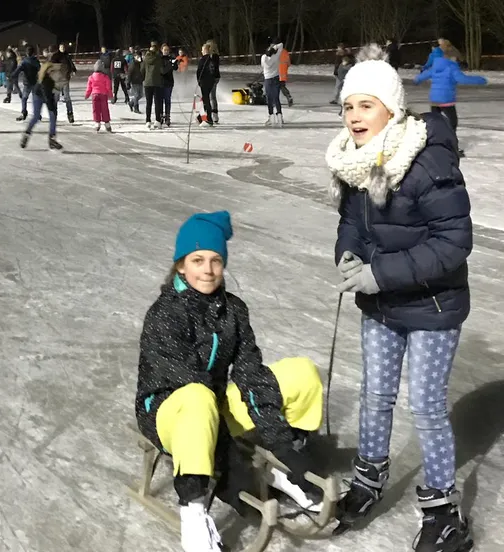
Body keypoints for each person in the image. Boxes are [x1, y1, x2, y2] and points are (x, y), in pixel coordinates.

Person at [326, 44, 474, 552]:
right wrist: (348, 254)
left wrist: (379, 274)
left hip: (433, 307)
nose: (354, 116)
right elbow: (353, 222)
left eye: (365, 105)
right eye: (348, 106)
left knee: (427, 406)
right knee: (375, 396)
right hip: (383, 306)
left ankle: (443, 511)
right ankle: (367, 481)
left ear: (391, 107)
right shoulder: (355, 161)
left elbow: (454, 242)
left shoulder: (425, 158)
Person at [137, 210, 323, 552]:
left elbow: (251, 372)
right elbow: (189, 385)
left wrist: (281, 445)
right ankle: (193, 515)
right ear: (181, 265)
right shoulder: (164, 315)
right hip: (169, 412)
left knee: (301, 372)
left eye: (215, 260)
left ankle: (288, 463)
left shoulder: (233, 310)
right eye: (197, 260)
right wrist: (234, 469)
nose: (207, 270)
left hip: (215, 403)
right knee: (196, 396)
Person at [413, 44, 486, 158]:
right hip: (446, 100)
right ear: (451, 57)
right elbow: (462, 79)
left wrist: (417, 80)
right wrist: (480, 80)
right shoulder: (451, 67)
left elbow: (422, 76)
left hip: (434, 100)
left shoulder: (435, 66)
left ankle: (432, 146)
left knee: (435, 125)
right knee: (452, 125)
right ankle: (452, 150)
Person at [20, 46, 68, 151]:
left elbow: (56, 84)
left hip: (41, 93)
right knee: (49, 115)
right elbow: (46, 90)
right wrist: (51, 106)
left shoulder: (51, 68)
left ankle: (28, 135)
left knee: (40, 116)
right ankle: (49, 139)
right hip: (41, 94)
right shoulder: (51, 72)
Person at [12, 46, 41, 122]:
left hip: (28, 83)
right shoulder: (35, 61)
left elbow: (18, 69)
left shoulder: (24, 61)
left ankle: (24, 112)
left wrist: (12, 75)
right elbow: (40, 70)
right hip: (33, 82)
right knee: (34, 99)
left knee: (24, 98)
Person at [261, 39, 284, 126]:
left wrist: (270, 49)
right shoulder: (276, 55)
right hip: (276, 78)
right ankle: (280, 117)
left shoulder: (264, 57)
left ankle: (271, 117)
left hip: (268, 79)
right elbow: (281, 44)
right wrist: (274, 48)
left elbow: (264, 66)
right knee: (276, 98)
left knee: (269, 99)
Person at [85, 60, 113, 132]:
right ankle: (107, 124)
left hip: (95, 95)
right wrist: (111, 96)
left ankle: (97, 123)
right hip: (103, 95)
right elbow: (108, 88)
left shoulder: (91, 77)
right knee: (104, 109)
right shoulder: (105, 77)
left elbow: (89, 88)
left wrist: (87, 95)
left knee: (96, 109)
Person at [141, 42, 164, 130]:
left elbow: (142, 70)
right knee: (157, 103)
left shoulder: (145, 59)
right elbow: (162, 70)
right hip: (157, 83)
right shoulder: (158, 58)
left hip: (147, 83)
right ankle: (157, 121)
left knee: (148, 103)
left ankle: (148, 120)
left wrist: (144, 78)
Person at [196, 43, 218, 128]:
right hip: (211, 82)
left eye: (202, 50)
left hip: (204, 82)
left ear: (205, 50)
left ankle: (208, 119)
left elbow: (199, 71)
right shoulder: (211, 60)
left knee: (206, 100)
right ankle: (200, 117)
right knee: (206, 99)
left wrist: (199, 81)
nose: (201, 51)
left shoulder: (203, 60)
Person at [57, 43, 77, 123]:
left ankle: (70, 114)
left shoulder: (67, 56)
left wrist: (73, 70)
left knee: (67, 97)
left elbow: (71, 63)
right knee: (55, 98)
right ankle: (53, 115)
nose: (62, 48)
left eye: (63, 47)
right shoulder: (56, 56)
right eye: (61, 47)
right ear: (59, 48)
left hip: (65, 79)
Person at [160, 44, 179, 127]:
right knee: (160, 100)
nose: (166, 51)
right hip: (160, 82)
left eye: (167, 50)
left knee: (167, 100)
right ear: (161, 50)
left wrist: (174, 63)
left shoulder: (171, 58)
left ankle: (167, 116)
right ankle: (160, 116)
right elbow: (162, 71)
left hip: (169, 82)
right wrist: (170, 65)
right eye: (165, 50)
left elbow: (175, 68)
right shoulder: (159, 59)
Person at [204, 40, 221, 123]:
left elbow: (212, 68)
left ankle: (213, 114)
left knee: (211, 96)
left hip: (213, 78)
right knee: (211, 96)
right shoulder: (213, 56)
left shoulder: (213, 56)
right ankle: (213, 114)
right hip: (213, 77)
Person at [127, 49, 144, 114]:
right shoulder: (133, 64)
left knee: (141, 95)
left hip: (140, 80)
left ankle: (131, 103)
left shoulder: (141, 63)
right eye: (137, 56)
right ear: (134, 57)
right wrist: (128, 82)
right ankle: (136, 108)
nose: (138, 58)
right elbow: (129, 73)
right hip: (134, 81)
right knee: (136, 95)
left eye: (139, 56)